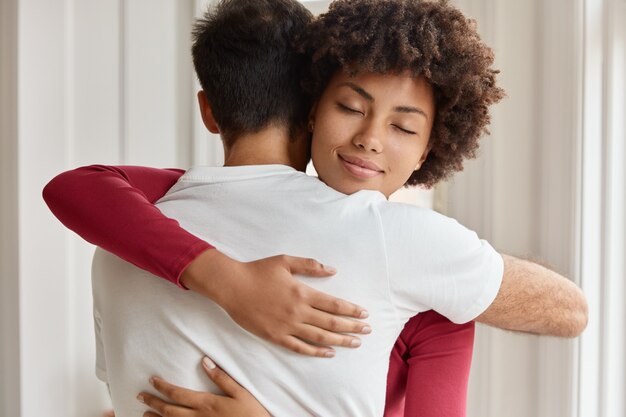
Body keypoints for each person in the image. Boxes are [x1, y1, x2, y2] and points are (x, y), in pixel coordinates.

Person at [43, 0, 588, 416]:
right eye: (351, 107)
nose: (370, 139)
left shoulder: (124, 237)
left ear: (209, 111)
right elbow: (571, 310)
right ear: (313, 108)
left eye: (401, 126)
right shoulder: (407, 248)